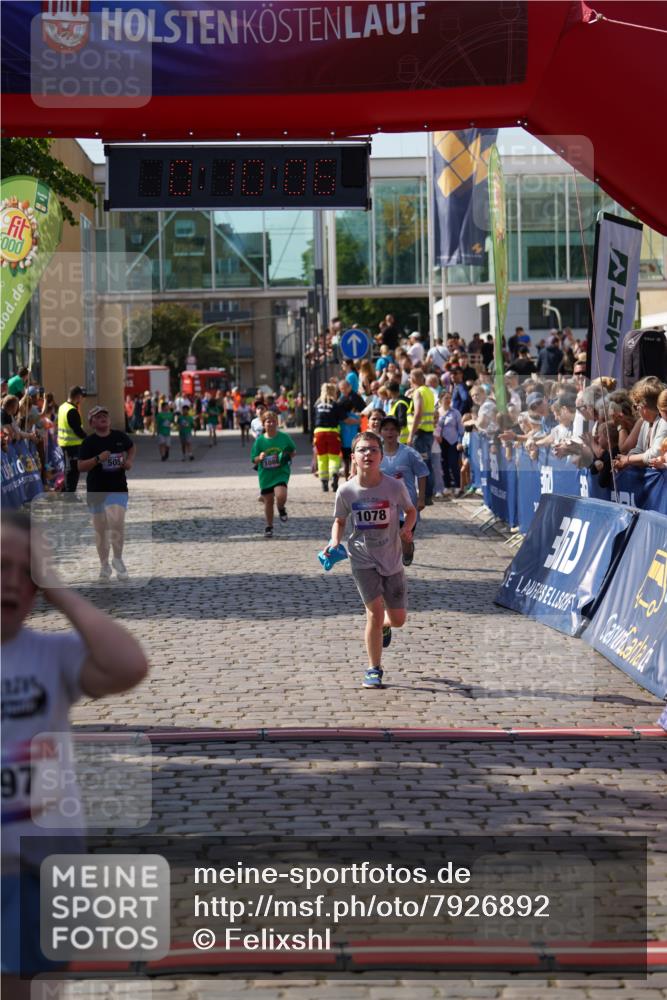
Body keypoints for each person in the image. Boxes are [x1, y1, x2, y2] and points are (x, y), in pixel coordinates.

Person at [1, 510, 148, 997]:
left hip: (40, 861)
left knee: (36, 986)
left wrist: (60, 591)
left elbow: (128, 666)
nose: (11, 583)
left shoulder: (50, 655)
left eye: (27, 572)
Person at [325, 431, 416, 689]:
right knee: (374, 613)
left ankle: (386, 626)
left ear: (381, 456)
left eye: (374, 450)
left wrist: (407, 528)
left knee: (397, 619)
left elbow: (410, 511)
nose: (369, 454)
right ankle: (373, 668)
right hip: (362, 558)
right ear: (353, 457)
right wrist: (334, 542)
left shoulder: (394, 487)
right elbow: (339, 521)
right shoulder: (346, 491)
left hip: (392, 557)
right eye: (363, 450)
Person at [77, 405, 136, 581]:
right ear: (92, 422)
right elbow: (80, 466)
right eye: (98, 416)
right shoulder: (89, 442)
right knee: (101, 530)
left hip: (117, 486)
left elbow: (132, 447)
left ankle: (118, 559)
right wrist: (97, 459)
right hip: (96, 489)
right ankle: (104, 565)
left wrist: (129, 461)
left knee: (116, 521)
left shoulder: (119, 437)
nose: (103, 418)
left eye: (105, 415)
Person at [379, 415, 427, 566]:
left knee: (405, 536)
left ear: (399, 432)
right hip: (383, 504)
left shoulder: (409, 453)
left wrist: (421, 498)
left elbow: (422, 473)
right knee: (386, 539)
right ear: (380, 432)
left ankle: (408, 549)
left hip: (407, 505)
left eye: (393, 429)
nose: (389, 433)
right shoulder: (375, 453)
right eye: (386, 429)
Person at [251, 410, 296, 538]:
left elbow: (293, 451)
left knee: (281, 495)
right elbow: (253, 459)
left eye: (273, 421)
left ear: (277, 423)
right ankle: (269, 526)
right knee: (268, 501)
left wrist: (286, 456)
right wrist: (259, 457)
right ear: (263, 424)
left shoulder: (284, 437)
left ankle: (281, 507)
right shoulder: (259, 441)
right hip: (265, 475)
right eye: (267, 421)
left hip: (280, 472)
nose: (270, 424)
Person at [406, 368, 436, 505]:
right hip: (428, 432)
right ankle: (428, 494)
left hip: (420, 434)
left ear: (413, 379)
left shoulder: (419, 392)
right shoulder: (428, 391)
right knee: (427, 463)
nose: (408, 382)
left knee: (422, 464)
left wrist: (411, 435)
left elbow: (418, 413)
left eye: (409, 379)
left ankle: (425, 495)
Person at [312, 382, 345, 492]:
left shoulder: (317, 404)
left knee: (321, 458)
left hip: (319, 433)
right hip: (333, 433)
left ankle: (324, 483)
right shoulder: (335, 404)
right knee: (333, 457)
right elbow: (343, 419)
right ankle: (334, 475)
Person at [56, 385, 86, 494]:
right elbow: (77, 429)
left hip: (64, 444)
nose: (81, 400)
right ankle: (69, 494)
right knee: (73, 470)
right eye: (81, 398)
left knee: (68, 469)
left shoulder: (62, 407)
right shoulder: (72, 410)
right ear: (77, 397)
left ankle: (66, 490)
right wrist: (87, 438)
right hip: (73, 445)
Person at [435, 392, 465, 497]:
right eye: (446, 398)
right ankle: (446, 486)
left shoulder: (455, 413)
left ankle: (457, 486)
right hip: (441, 442)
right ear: (440, 400)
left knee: (453, 464)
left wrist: (460, 441)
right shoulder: (437, 412)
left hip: (453, 442)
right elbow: (434, 426)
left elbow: (461, 429)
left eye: (449, 398)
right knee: (444, 465)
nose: (448, 400)